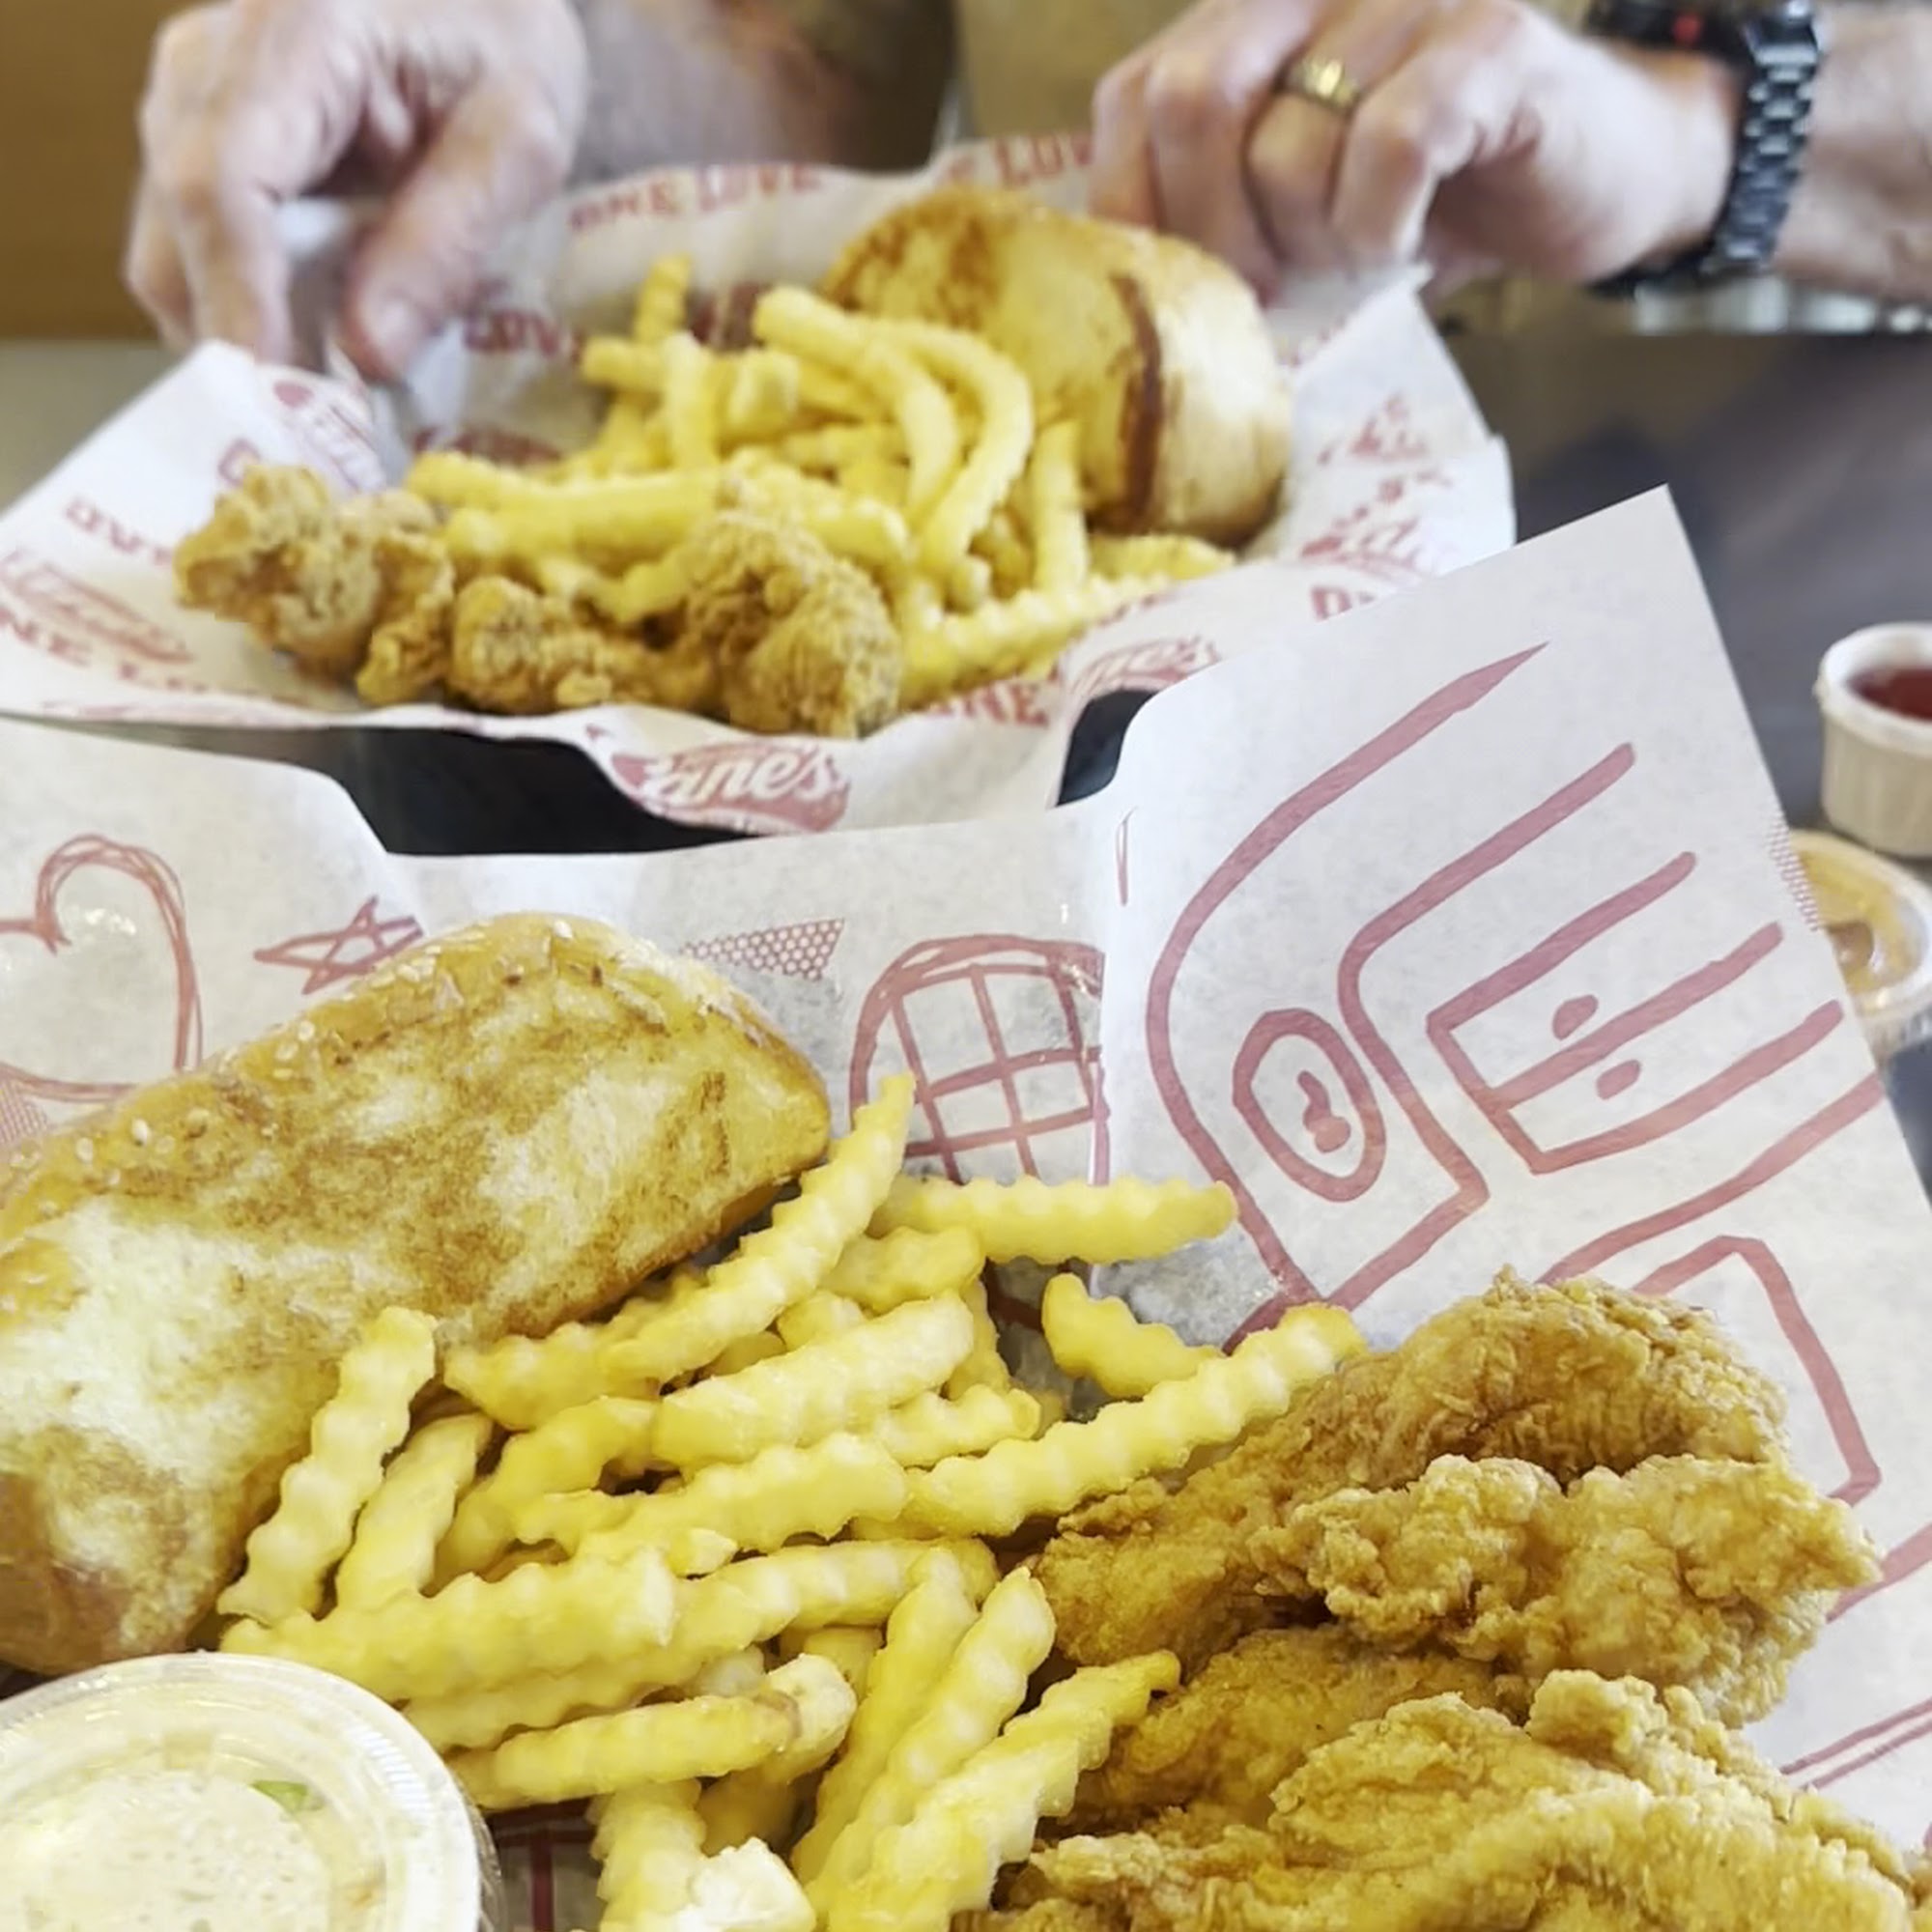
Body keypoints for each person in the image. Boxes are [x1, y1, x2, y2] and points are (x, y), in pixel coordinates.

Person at [128, 0, 1932, 378]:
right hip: (1080, 676)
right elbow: (814, 53)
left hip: (1815, 619)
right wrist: (549, 48)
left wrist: (1709, 129)